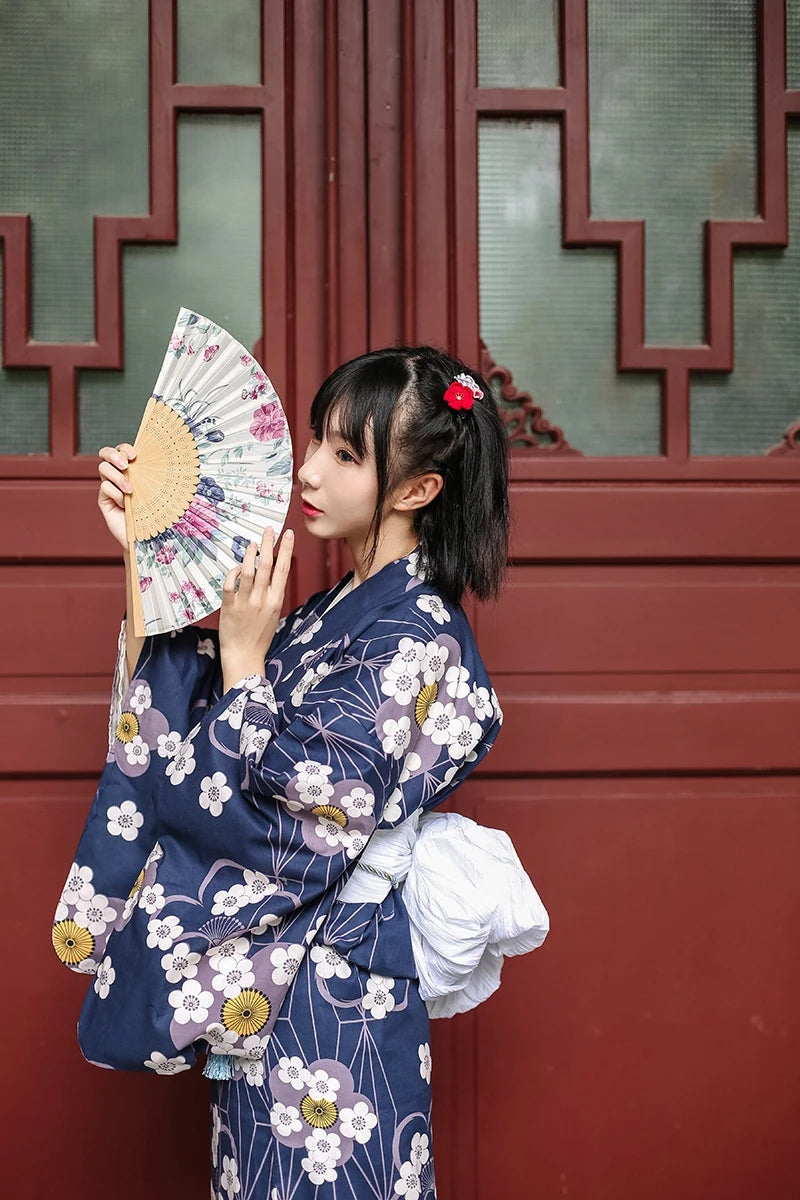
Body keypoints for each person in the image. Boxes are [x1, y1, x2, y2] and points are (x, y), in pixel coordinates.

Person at [52, 344, 548, 1199]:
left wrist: (246, 674)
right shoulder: (335, 612)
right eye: (317, 440)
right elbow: (191, 715)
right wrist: (149, 552)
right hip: (275, 992)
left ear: (417, 490)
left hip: (333, 1001)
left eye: (345, 454)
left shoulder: (416, 636)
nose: (307, 469)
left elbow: (306, 817)